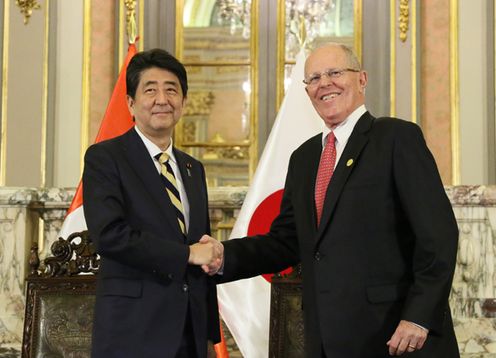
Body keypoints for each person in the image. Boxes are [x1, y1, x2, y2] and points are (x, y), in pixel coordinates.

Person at [203, 43, 460, 357]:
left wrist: (418, 317)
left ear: (362, 79)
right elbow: (285, 242)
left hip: (396, 336)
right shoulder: (305, 158)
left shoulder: (395, 138)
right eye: (313, 78)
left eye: (335, 72)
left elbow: (438, 236)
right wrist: (222, 256)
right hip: (327, 340)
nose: (324, 83)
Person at [83, 48, 221, 358]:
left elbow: (202, 248)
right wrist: (186, 254)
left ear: (183, 103)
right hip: (132, 333)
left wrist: (210, 335)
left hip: (190, 332)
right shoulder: (105, 158)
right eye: (150, 90)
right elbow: (110, 235)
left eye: (171, 89)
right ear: (131, 103)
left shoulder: (192, 168)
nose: (162, 99)